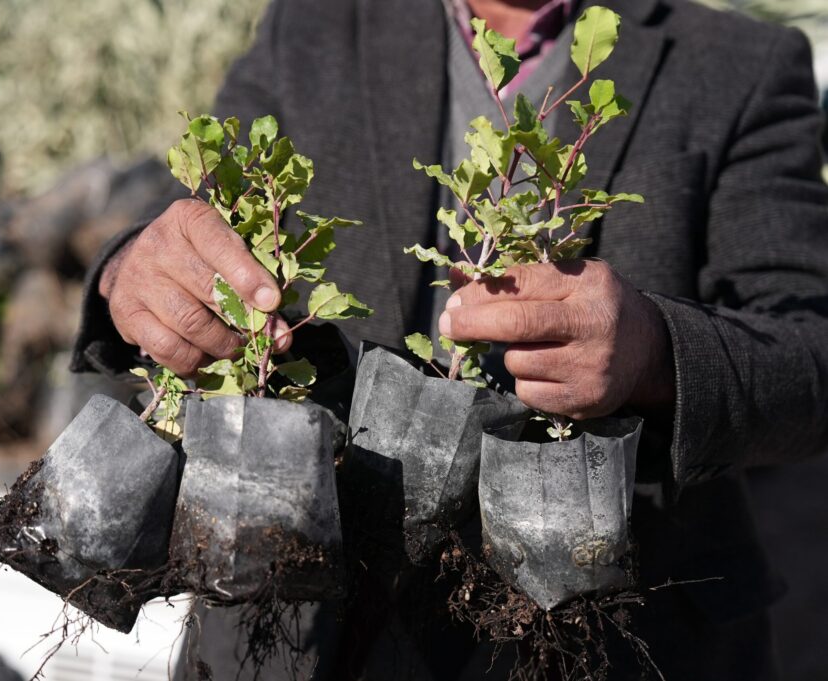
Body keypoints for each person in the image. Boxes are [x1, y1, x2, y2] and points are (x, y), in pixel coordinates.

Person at [70, 0, 828, 678]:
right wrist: (130, 271)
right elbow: (205, 224)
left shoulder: (739, 63)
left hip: (617, 638)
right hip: (296, 628)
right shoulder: (315, 24)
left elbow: (810, 349)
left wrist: (656, 348)